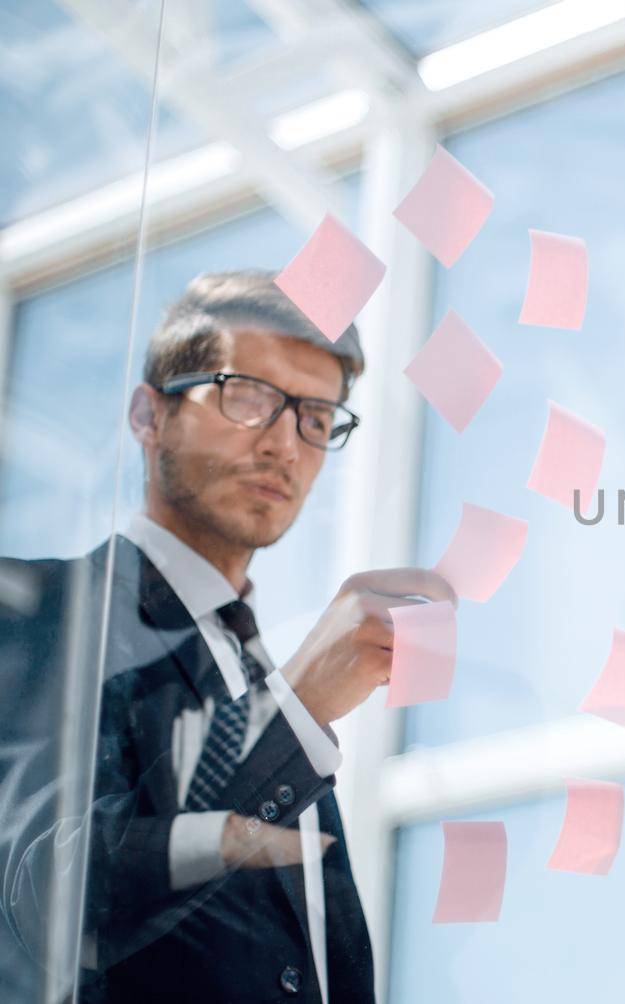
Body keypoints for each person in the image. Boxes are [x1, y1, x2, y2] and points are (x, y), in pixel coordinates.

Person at [0, 270, 456, 1003]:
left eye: (316, 416)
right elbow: (50, 900)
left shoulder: (257, 674)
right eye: (247, 395)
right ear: (149, 416)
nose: (285, 444)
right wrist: (292, 711)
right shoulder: (41, 611)